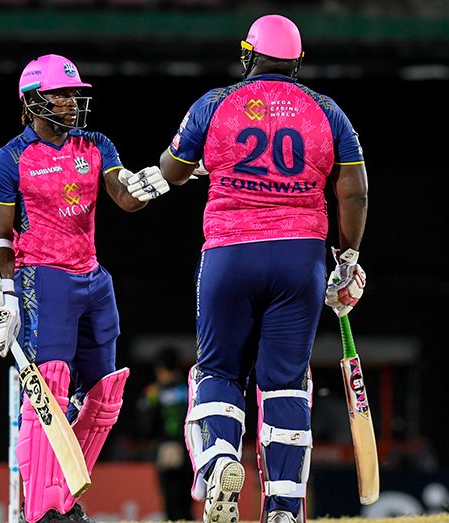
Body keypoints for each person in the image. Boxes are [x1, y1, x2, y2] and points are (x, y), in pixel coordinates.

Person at [157, 14, 368, 523]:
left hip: (230, 254)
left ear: (248, 54)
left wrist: (205, 162)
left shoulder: (214, 103)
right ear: (297, 62)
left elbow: (171, 171)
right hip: (301, 259)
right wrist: (348, 257)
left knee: (218, 370)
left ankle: (220, 461)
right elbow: (354, 192)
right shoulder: (327, 110)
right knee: (286, 384)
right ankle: (283, 507)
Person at [0, 53, 170, 523]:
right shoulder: (8, 160)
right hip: (43, 279)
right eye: (60, 94)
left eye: (73, 94)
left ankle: (60, 496)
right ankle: (43, 509)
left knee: (105, 396)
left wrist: (160, 178)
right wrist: (4, 298)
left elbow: (123, 196)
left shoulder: (96, 144)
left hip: (93, 278)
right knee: (51, 390)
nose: (70, 102)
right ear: (32, 101)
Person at [135, 346, 195, 521]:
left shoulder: (153, 392)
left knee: (170, 499)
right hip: (190, 448)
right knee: (187, 498)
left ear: (160, 367)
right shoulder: (190, 389)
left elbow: (144, 423)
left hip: (166, 448)